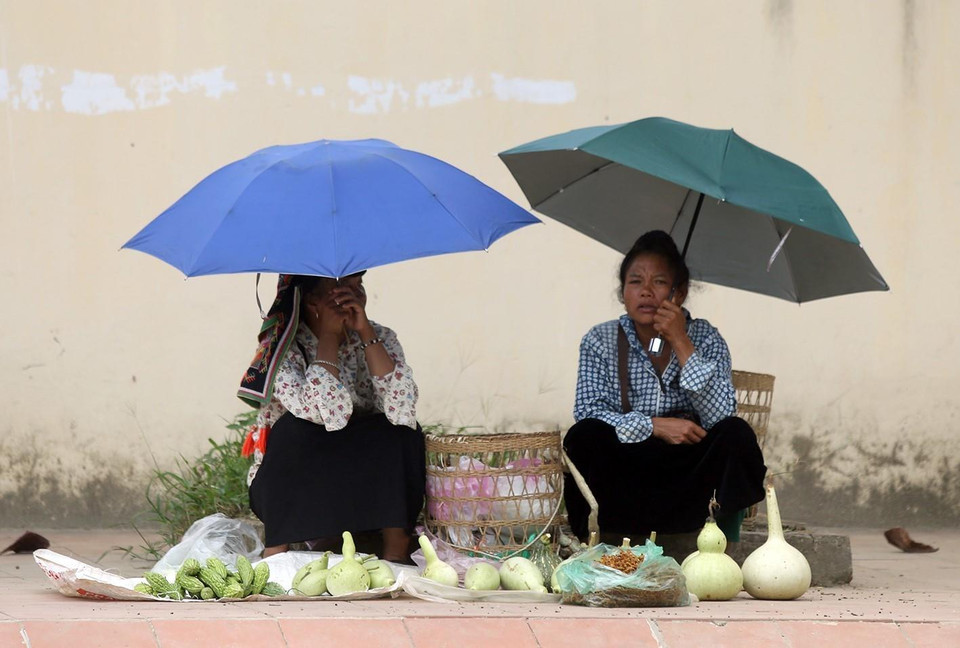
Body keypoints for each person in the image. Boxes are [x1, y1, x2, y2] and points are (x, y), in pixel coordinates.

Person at [563, 230, 766, 544]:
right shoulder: (599, 340)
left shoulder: (706, 337)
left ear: (679, 293)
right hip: (628, 468)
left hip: (688, 473)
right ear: (623, 292)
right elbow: (589, 412)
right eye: (635, 281)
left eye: (658, 282)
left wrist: (681, 342)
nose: (646, 291)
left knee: (736, 434)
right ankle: (599, 538)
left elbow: (722, 414)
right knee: (583, 435)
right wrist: (652, 425)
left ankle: (721, 544)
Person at [238, 272, 423, 560]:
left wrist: (365, 334)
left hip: (361, 470)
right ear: (311, 298)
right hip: (301, 475)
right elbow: (325, 415)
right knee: (291, 430)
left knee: (402, 431)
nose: (354, 295)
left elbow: (403, 408)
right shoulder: (285, 349)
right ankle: (277, 552)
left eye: (357, 285)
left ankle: (396, 546)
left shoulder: (382, 336)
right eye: (340, 288)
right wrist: (329, 337)